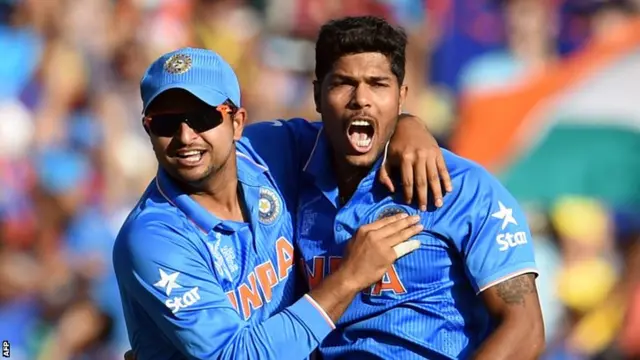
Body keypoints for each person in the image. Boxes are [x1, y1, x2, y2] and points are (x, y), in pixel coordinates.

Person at [113, 47, 452, 360]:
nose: (186, 137)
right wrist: (349, 278)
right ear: (147, 129)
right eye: (165, 123)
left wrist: (407, 126)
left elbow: (351, 133)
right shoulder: (153, 238)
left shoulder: (269, 149)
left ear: (237, 122)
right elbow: (235, 356)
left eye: (203, 118)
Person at [278, 16, 543, 359]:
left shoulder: (463, 189)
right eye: (344, 83)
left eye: (378, 84)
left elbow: (525, 331)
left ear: (401, 96)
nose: (361, 99)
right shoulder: (289, 175)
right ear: (317, 94)